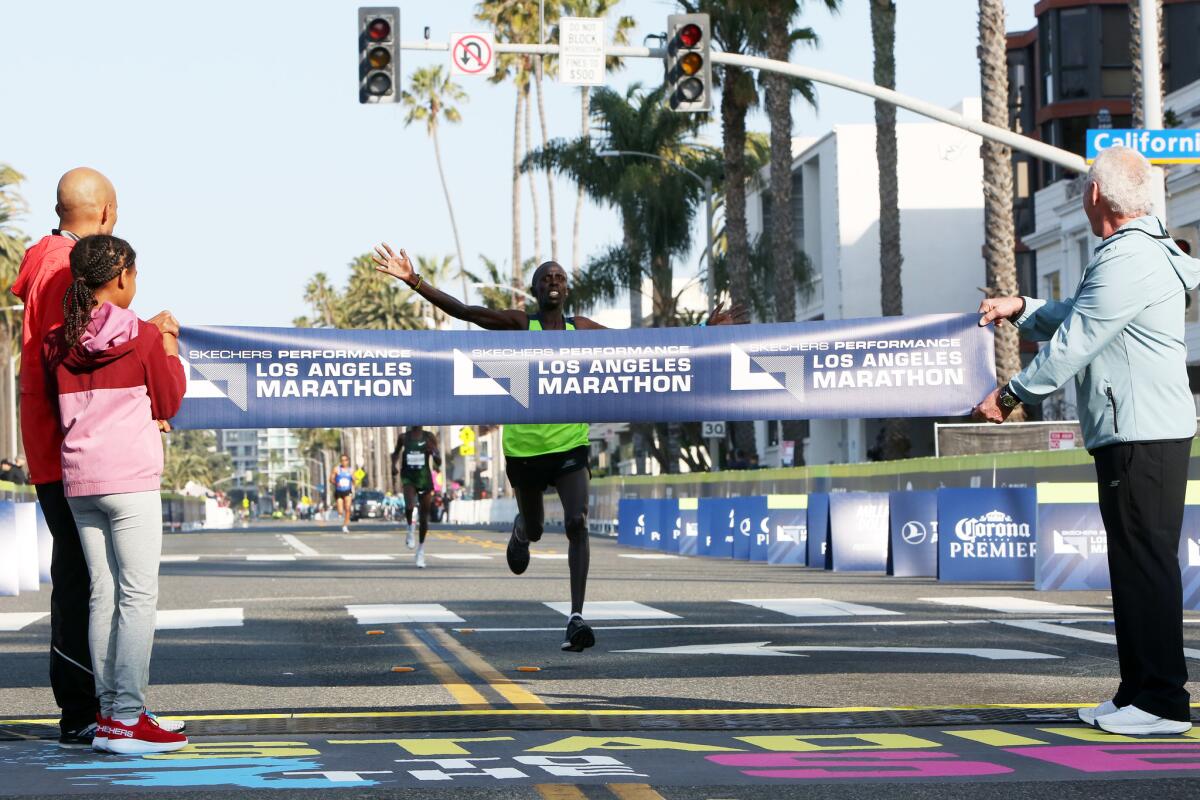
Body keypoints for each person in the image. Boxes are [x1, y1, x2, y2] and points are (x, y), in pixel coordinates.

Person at [372, 243, 745, 651]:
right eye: (547, 277)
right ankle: (520, 530)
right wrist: (413, 279)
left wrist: (706, 333)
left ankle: (576, 618)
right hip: (525, 451)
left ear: (567, 291)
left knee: (576, 522)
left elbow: (641, 346)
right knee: (534, 526)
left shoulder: (580, 330)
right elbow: (466, 312)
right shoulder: (519, 325)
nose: (554, 281)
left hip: (570, 445)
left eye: (561, 277)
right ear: (535, 289)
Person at [976, 146, 1196, 736]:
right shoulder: (1140, 251)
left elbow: (1078, 341)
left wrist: (1011, 394)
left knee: (1145, 565)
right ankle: (1139, 693)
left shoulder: (1127, 258)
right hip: (1142, 429)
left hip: (1139, 431)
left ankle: (1164, 704)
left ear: (1095, 196)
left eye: (1083, 188)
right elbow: (1079, 313)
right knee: (1135, 564)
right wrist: (1022, 307)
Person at [44, 234, 188, 753]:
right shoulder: (143, 335)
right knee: (137, 595)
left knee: (103, 595)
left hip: (80, 482)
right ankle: (127, 716)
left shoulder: (56, 340)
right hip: (130, 481)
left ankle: (109, 716)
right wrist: (168, 344)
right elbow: (168, 399)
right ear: (123, 275)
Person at [11, 168, 110, 747]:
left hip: (56, 444)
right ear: (106, 213)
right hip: (67, 446)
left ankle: (86, 706)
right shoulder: (63, 267)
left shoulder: (48, 259)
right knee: (80, 579)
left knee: (81, 576)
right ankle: (81, 709)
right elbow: (66, 354)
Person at [392, 426, 441, 568]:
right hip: (408, 477)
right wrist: (393, 465)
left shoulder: (429, 437)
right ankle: (410, 528)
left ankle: (420, 551)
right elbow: (395, 453)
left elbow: (438, 461)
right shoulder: (403, 437)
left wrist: (433, 452)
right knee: (409, 505)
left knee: (424, 517)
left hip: (424, 478)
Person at [330, 455, 354, 532]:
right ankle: (340, 513)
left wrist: (354, 480)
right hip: (339, 491)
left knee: (348, 508)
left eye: (346, 460)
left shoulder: (351, 470)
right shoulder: (336, 469)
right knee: (340, 511)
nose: (344, 462)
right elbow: (331, 479)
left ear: (348, 461)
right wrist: (336, 483)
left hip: (347, 491)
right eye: (342, 460)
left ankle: (345, 525)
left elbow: (354, 480)